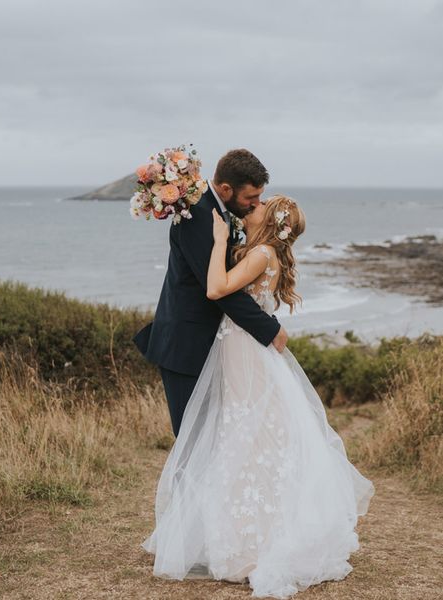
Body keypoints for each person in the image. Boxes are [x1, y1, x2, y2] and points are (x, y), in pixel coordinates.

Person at [140, 194, 375, 598]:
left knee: (247, 437)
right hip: (242, 350)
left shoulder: (262, 252)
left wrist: (216, 241)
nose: (256, 204)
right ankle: (242, 534)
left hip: (245, 353)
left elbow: (216, 288)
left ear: (272, 221)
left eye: (263, 204)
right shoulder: (260, 251)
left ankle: (256, 542)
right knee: (245, 436)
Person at [133, 148, 288, 438]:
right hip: (187, 345)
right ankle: (183, 487)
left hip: (210, 343)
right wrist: (269, 329)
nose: (257, 204)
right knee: (192, 440)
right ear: (226, 188)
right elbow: (217, 289)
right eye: (250, 198)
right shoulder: (198, 216)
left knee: (212, 439)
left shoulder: (220, 212)